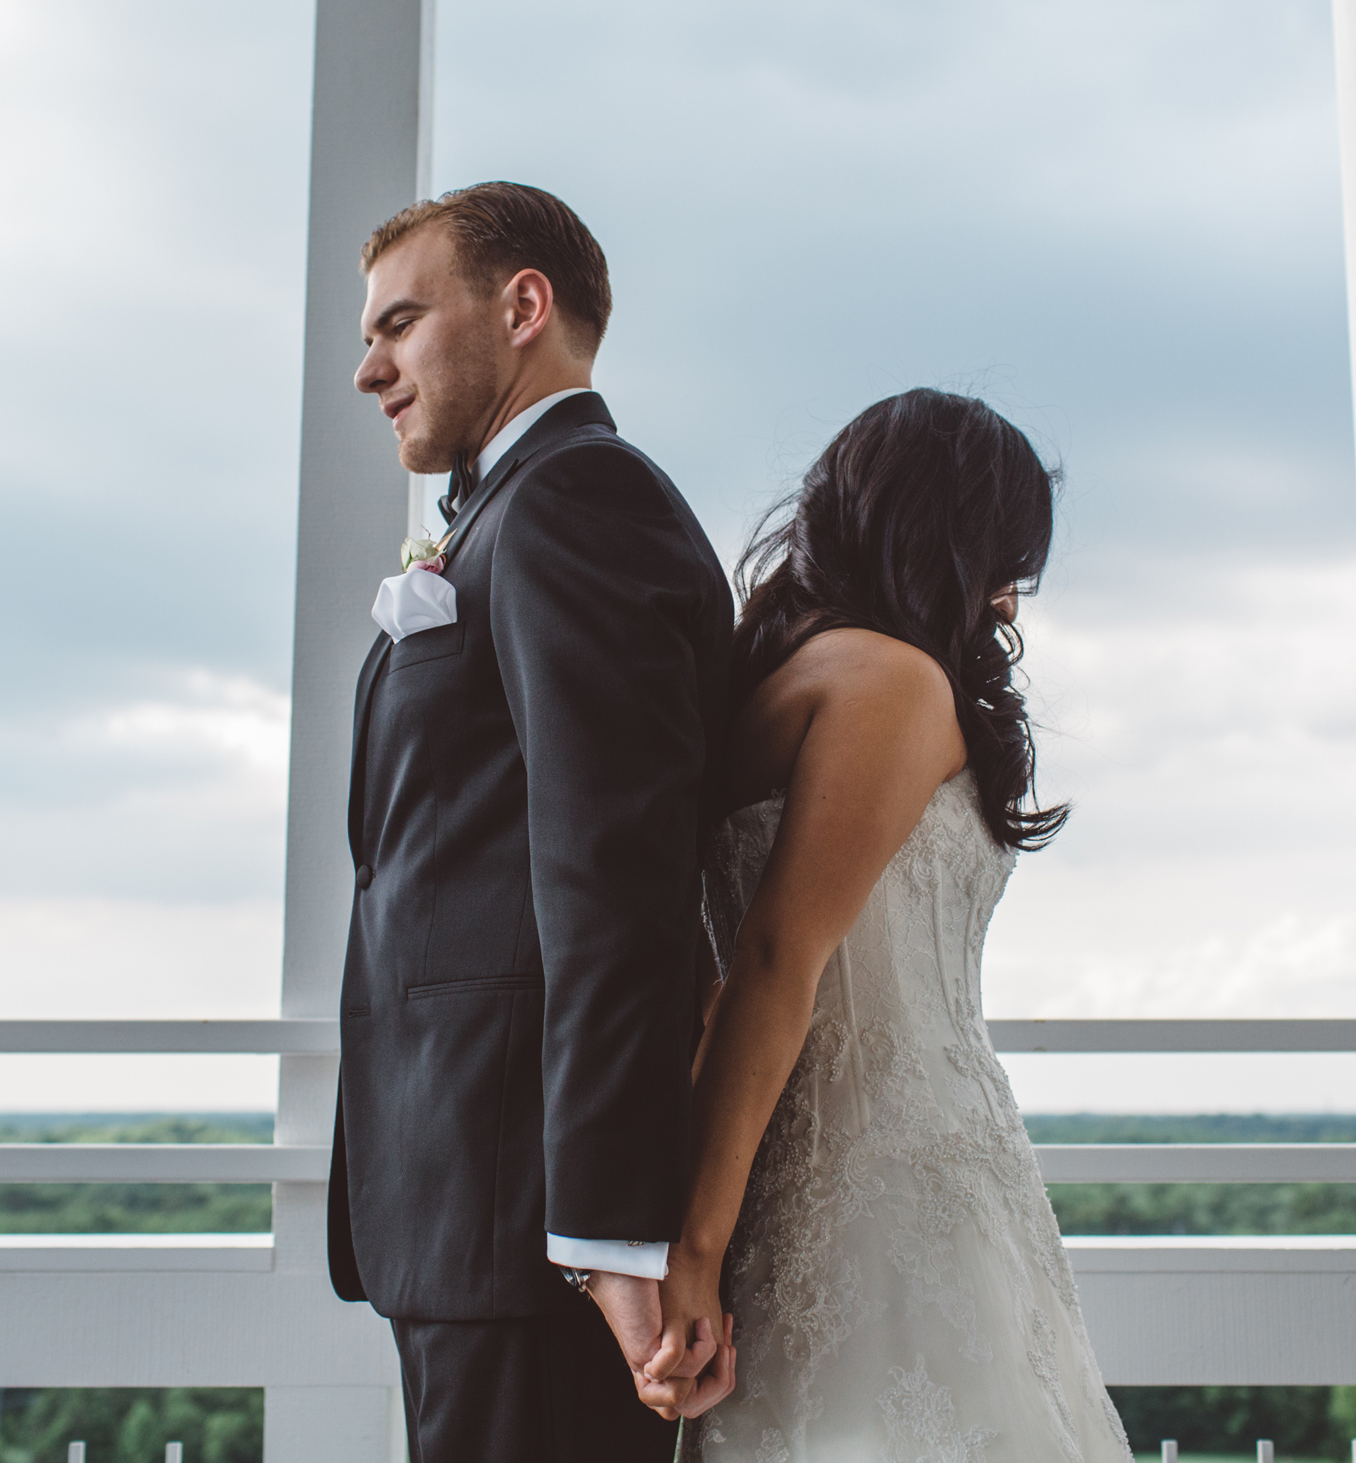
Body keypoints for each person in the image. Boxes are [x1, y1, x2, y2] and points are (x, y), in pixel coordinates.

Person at [329, 181, 737, 1460]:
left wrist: (608, 1235)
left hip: (529, 1229)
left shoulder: (577, 502)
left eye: (398, 324)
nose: (367, 369)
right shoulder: (506, 513)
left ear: (521, 307)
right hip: (466, 1214)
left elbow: (612, 879)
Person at [662, 389, 1134, 1459]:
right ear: (948, 536)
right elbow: (777, 958)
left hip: (866, 1166)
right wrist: (695, 1244)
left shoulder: (785, 665)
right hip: (886, 1186)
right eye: (1005, 557)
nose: (1010, 600)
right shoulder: (888, 679)